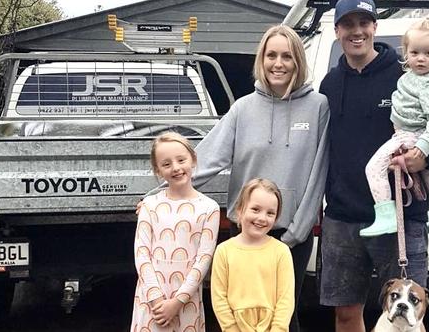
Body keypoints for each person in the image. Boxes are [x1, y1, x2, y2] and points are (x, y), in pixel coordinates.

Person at [140, 25, 329, 332]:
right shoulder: (243, 109)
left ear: (298, 61)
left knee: (283, 317)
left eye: (286, 56)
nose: (278, 63)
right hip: (245, 233)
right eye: (271, 55)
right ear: (261, 59)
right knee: (237, 316)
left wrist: (298, 230)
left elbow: (319, 170)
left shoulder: (317, 106)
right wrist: (157, 196)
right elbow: (205, 160)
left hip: (291, 236)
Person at [318, 0, 429, 332]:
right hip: (343, 219)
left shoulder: (406, 76)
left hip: (402, 217)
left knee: (408, 318)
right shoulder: (330, 83)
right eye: (348, 25)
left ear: (374, 27)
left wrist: (426, 157)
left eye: (363, 23)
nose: (356, 32)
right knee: (344, 315)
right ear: (338, 30)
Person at [362, 16, 429, 237]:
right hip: (406, 134)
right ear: (406, 53)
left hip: (410, 137)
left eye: (428, 53)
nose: (420, 59)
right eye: (414, 53)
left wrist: (421, 149)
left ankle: (386, 216)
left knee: (373, 169)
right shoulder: (409, 77)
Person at [130, 131, 219, 332]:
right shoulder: (150, 205)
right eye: (167, 164)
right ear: (158, 170)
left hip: (186, 301)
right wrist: (157, 300)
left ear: (193, 160)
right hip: (151, 301)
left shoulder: (208, 208)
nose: (176, 168)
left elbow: (203, 259)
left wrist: (177, 302)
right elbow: (142, 254)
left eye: (181, 160)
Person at [210, 178, 295, 332]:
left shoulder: (281, 252)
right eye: (255, 209)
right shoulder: (224, 251)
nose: (262, 218)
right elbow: (219, 297)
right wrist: (231, 328)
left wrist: (278, 328)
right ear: (240, 210)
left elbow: (285, 299)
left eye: (270, 213)